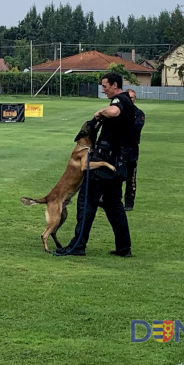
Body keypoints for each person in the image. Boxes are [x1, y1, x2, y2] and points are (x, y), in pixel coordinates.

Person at [55, 72, 136, 257]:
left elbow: (114, 112)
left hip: (103, 163)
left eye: (105, 86)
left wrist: (100, 113)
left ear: (115, 85)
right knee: (114, 205)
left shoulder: (118, 101)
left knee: (86, 202)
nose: (103, 89)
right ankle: (124, 248)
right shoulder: (130, 104)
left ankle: (78, 246)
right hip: (119, 162)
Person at [122, 89, 145, 211]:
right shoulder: (119, 112)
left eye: (133, 97)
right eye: (129, 97)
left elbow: (135, 129)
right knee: (115, 175)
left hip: (131, 149)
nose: (131, 100)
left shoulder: (139, 113)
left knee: (131, 177)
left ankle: (129, 203)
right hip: (119, 149)